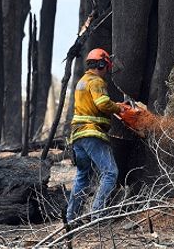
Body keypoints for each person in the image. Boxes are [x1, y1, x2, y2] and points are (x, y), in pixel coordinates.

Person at [66, 48, 129, 222]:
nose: (107, 71)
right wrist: (120, 108)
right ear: (102, 64)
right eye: (106, 66)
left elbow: (94, 104)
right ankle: (98, 213)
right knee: (110, 172)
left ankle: (71, 217)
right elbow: (102, 104)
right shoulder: (96, 82)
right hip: (91, 133)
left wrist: (113, 104)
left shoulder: (82, 81)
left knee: (82, 176)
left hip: (77, 136)